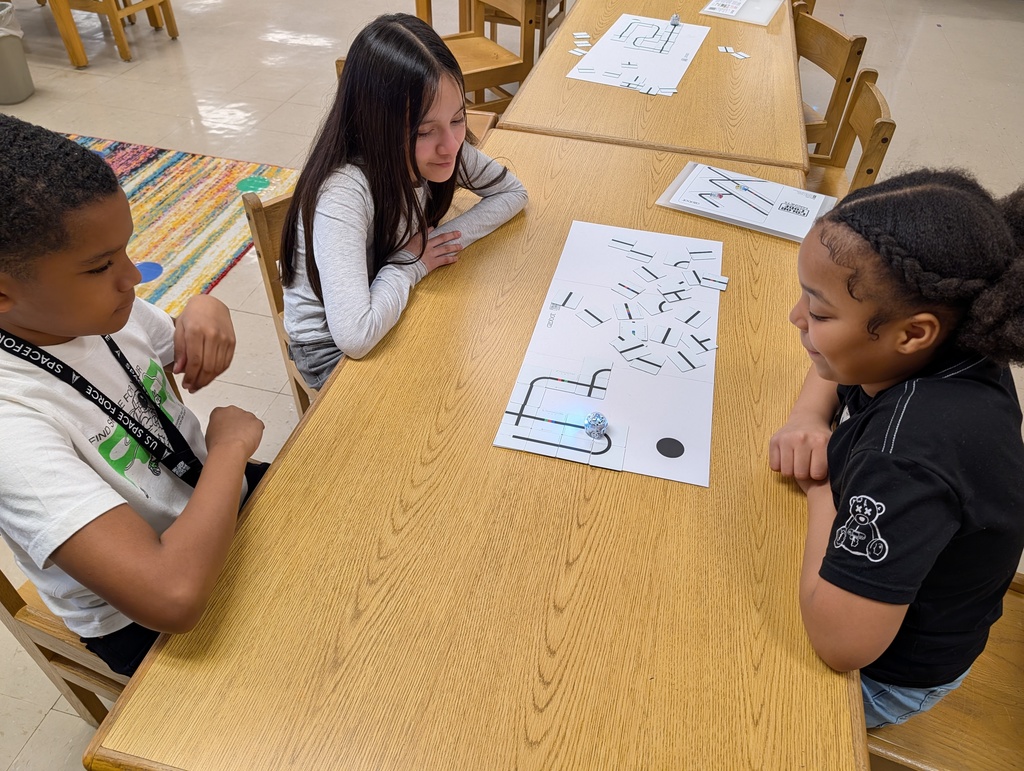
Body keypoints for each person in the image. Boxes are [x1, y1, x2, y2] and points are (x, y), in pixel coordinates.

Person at [0, 114, 268, 677]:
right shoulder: (12, 425)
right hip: (139, 616)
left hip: (208, 501)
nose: (132, 278)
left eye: (124, 251)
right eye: (101, 266)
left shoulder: (89, 308)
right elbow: (170, 597)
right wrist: (228, 449)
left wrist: (205, 306)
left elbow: (173, 347)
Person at [769, 169, 1024, 728]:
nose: (796, 319)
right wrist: (809, 415)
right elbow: (843, 365)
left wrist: (822, 492)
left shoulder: (907, 457)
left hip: (885, 677)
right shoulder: (961, 339)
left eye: (819, 312)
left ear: (912, 333)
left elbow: (842, 644)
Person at [281, 13, 528, 389]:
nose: (450, 145)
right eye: (427, 131)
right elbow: (355, 335)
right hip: (329, 347)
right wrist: (410, 263)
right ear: (377, 126)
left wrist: (431, 245)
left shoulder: (442, 144)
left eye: (459, 119)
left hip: (385, 295)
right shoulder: (344, 192)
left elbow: (514, 193)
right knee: (442, 401)